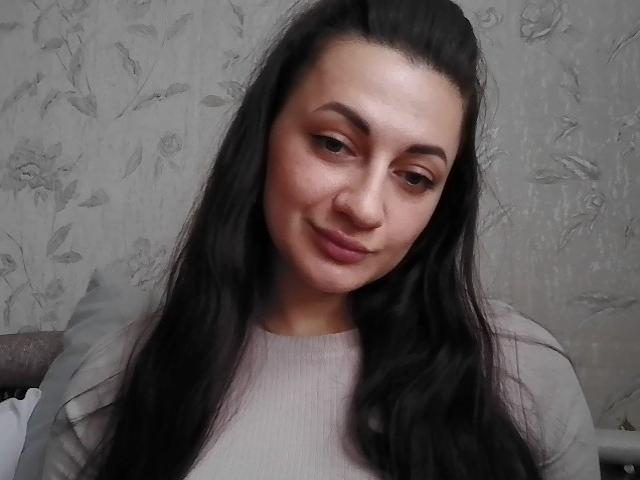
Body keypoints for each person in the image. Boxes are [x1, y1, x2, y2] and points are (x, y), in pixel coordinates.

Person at [41, 0, 600, 479]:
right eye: (334, 144)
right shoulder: (112, 387)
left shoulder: (523, 377)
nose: (364, 207)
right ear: (265, 133)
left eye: (415, 177)